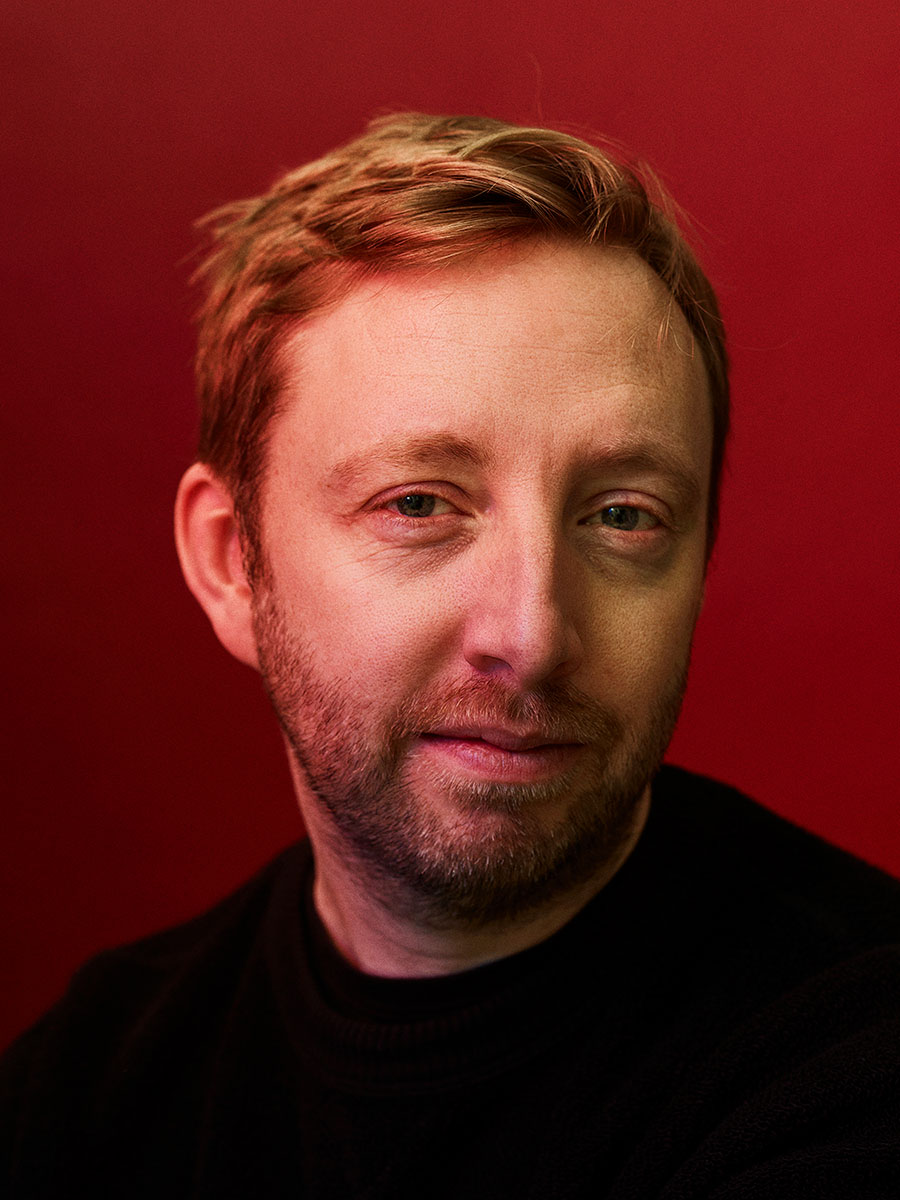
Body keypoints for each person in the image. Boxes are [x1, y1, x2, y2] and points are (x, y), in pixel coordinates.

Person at [3, 112, 899, 1198]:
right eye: (419, 504)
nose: (530, 636)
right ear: (234, 563)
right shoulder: (85, 1090)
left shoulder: (855, 1051)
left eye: (622, 517)